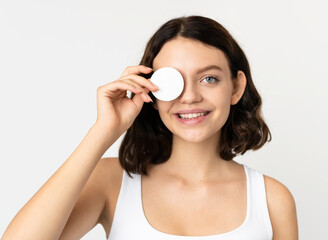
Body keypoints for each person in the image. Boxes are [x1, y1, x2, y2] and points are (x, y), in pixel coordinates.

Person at [2, 15, 298, 239]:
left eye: (209, 78)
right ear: (152, 93)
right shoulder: (112, 181)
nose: (190, 96)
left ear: (236, 88)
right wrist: (103, 131)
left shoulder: (271, 199)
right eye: (173, 82)